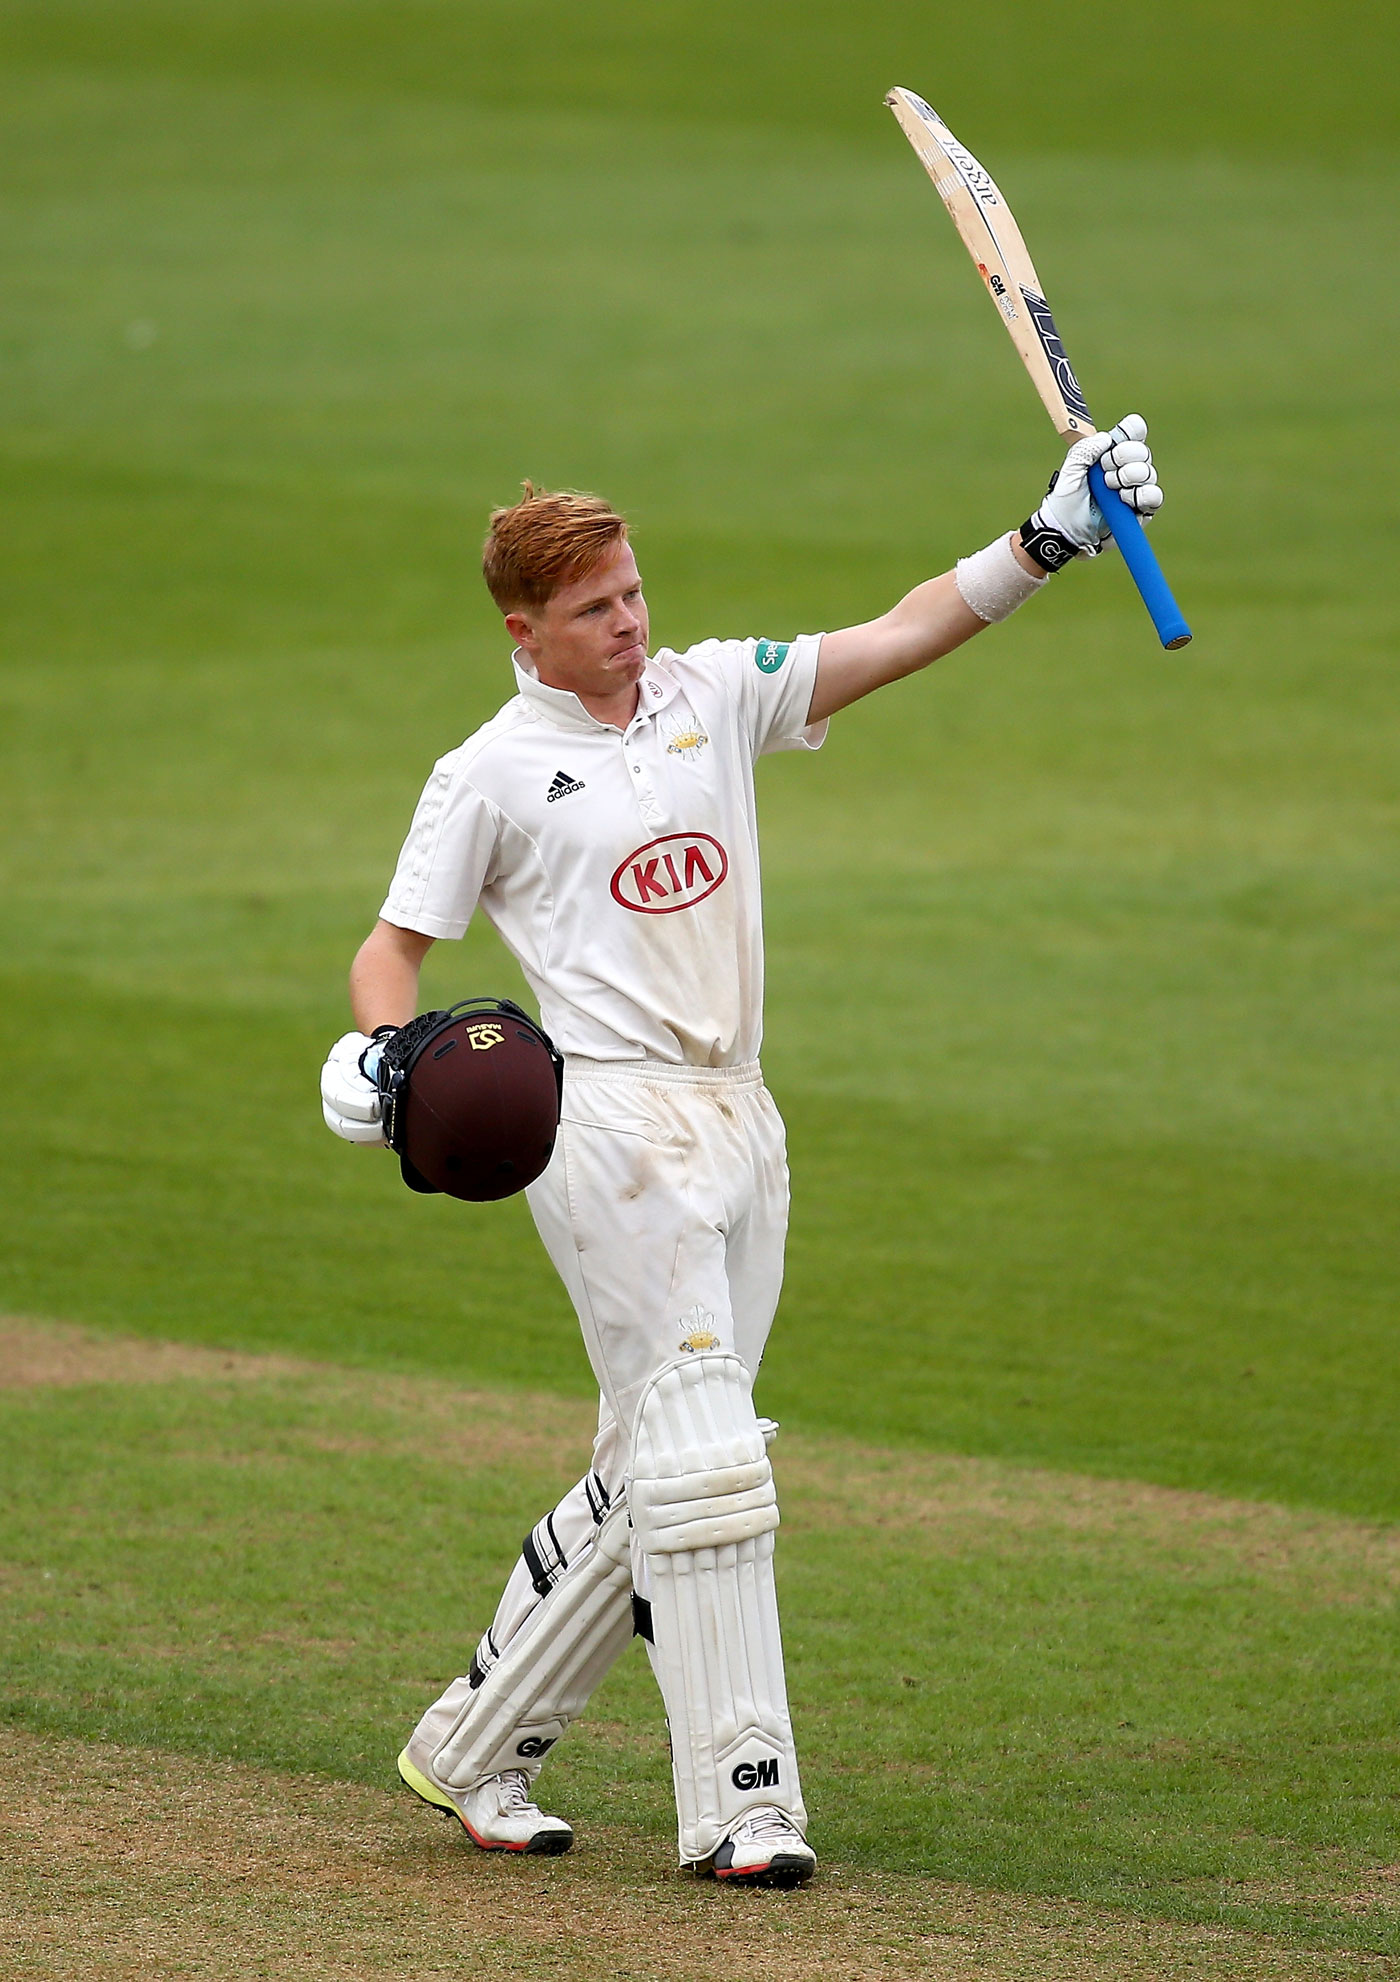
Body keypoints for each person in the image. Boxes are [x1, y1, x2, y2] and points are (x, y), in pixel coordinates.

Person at [319, 421, 1163, 1887]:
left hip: (740, 1111)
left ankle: (473, 1743)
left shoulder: (709, 689)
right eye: (595, 609)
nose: (631, 623)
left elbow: (897, 638)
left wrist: (1046, 540)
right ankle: (743, 1802)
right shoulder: (493, 773)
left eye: (635, 592)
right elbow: (391, 948)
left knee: (662, 1464)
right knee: (708, 1459)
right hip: (605, 1126)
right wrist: (380, 1055)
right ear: (527, 632)